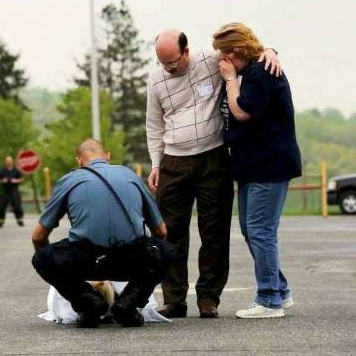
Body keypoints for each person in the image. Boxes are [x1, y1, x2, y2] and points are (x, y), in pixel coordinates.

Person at [146, 29, 281, 318]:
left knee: (215, 233)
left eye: (173, 62)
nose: (168, 68)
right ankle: (174, 299)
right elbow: (154, 125)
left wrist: (270, 51)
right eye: (162, 62)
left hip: (213, 158)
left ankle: (209, 298)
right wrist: (156, 164)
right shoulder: (156, 80)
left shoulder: (211, 60)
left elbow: (246, 52)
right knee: (171, 233)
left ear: (186, 51)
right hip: (174, 160)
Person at [32, 138, 176, 328]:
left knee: (43, 258)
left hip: (86, 261)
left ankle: (87, 301)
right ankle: (129, 303)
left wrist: (58, 267)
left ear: (79, 160)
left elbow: (38, 236)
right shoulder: (130, 176)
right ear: (108, 156)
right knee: (167, 251)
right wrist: (148, 262)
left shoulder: (69, 180)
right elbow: (160, 230)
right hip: (130, 260)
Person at [213, 22, 302, 319]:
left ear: (237, 51)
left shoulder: (259, 73)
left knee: (262, 231)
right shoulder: (254, 68)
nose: (220, 61)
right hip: (252, 165)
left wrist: (229, 80)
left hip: (269, 165)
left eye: (224, 55)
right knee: (251, 230)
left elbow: (242, 111)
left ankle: (269, 300)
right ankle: (279, 289)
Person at [0, 156, 24, 228]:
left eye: (10, 161)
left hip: (14, 190)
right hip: (4, 190)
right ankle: (0, 221)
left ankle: (20, 220)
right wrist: (3, 181)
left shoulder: (16, 170)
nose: (8, 162)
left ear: (12, 162)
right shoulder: (2, 170)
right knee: (1, 206)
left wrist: (16, 180)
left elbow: (21, 179)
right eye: (7, 161)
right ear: (5, 162)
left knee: (17, 206)